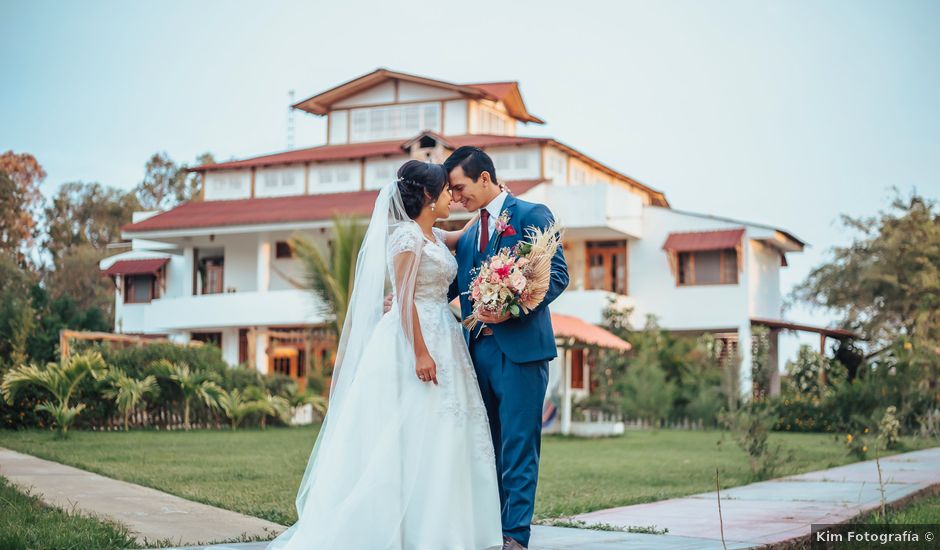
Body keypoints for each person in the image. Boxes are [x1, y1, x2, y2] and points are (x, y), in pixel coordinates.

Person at [265, 160, 502, 550]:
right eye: (446, 190)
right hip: (415, 340)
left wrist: (499, 209)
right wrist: (422, 354)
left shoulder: (434, 237)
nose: (451, 197)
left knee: (445, 431)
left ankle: (446, 528)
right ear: (427, 196)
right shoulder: (406, 238)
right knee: (410, 430)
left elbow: (468, 231)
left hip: (446, 333)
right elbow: (405, 299)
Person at [444, 146, 569, 550]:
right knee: (486, 448)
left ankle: (514, 535)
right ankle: (488, 529)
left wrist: (511, 307)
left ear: (484, 177)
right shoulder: (466, 237)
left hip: (521, 354)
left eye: (460, 188)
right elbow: (453, 289)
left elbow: (558, 275)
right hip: (476, 355)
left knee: (518, 445)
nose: (457, 197)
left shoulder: (532, 214)